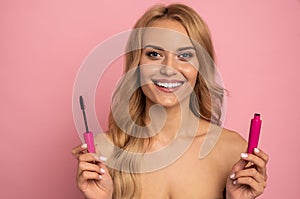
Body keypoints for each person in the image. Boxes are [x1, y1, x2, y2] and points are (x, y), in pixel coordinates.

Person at [72, 3, 268, 199]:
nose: (168, 69)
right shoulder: (103, 152)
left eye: (184, 56)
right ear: (137, 64)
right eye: (154, 54)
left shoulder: (233, 151)